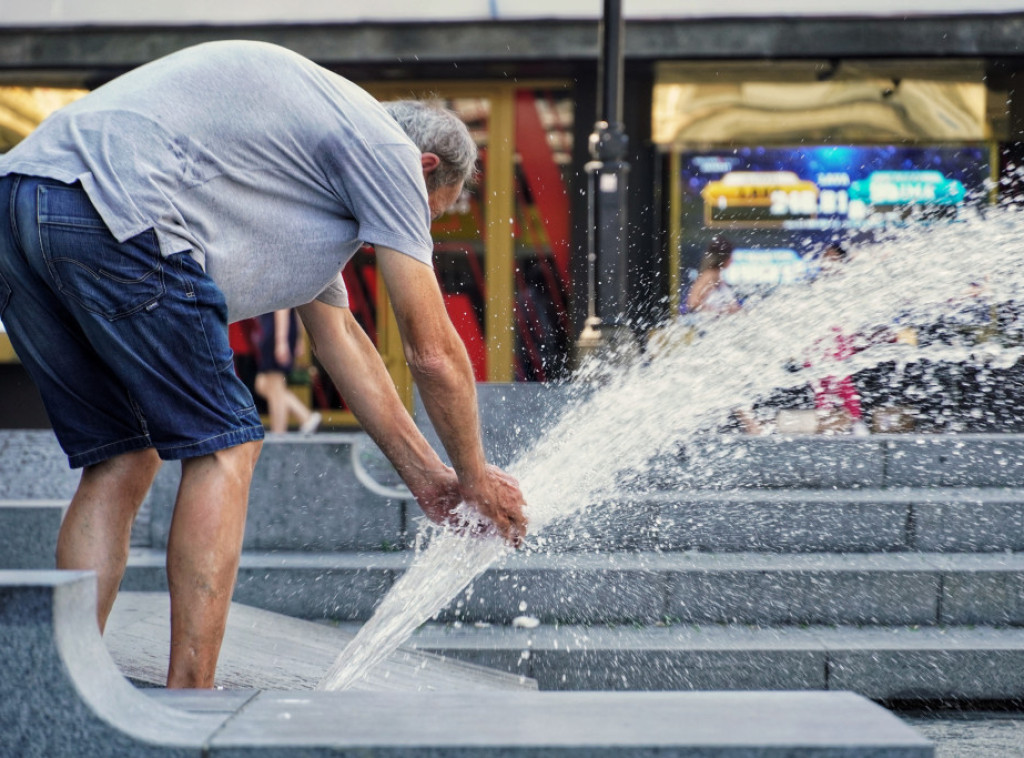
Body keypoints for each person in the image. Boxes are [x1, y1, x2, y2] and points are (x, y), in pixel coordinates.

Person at [0, 40, 527, 689]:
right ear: (424, 166)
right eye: (426, 214)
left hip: (18, 203)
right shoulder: (383, 152)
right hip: (113, 209)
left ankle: (57, 685)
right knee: (227, 447)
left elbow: (343, 339)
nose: (401, 233)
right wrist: (475, 476)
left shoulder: (305, 159)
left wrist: (428, 479)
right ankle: (191, 701)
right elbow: (433, 350)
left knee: (121, 458)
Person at [254, 308, 322, 434]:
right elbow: (295, 308)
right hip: (279, 330)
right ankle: (305, 416)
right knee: (262, 384)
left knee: (275, 387)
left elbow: (282, 307)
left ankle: (279, 435)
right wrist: (298, 338)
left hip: (277, 332)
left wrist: (281, 341)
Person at [684, 235, 741, 315]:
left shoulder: (718, 277)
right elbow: (692, 302)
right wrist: (719, 311)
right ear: (724, 257)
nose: (732, 260)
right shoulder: (709, 276)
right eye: (731, 256)